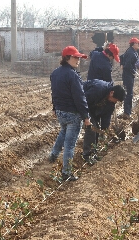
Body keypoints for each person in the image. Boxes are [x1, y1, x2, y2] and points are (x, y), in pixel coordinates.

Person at [49, 46, 91, 181]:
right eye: (76, 57)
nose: (78, 60)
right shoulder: (73, 75)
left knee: (63, 132)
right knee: (70, 144)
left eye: (79, 58)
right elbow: (80, 97)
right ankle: (66, 172)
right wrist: (86, 116)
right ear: (67, 57)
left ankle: (54, 154)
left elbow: (54, 93)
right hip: (72, 113)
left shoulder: (55, 73)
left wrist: (55, 108)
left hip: (60, 112)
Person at [82, 79, 126, 164]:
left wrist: (105, 130)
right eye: (115, 100)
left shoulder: (111, 102)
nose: (115, 102)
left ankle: (93, 152)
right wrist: (85, 117)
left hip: (93, 107)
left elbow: (106, 116)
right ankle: (87, 155)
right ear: (111, 93)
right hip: (83, 104)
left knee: (96, 128)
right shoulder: (98, 89)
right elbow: (83, 101)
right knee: (91, 129)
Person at [120, 37, 139, 120]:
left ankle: (127, 111)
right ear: (134, 44)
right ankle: (127, 112)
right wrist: (134, 71)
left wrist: (121, 64)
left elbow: (122, 57)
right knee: (128, 94)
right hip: (128, 75)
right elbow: (128, 65)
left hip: (129, 75)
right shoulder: (131, 53)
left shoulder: (132, 51)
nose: (138, 45)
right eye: (138, 43)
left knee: (129, 93)